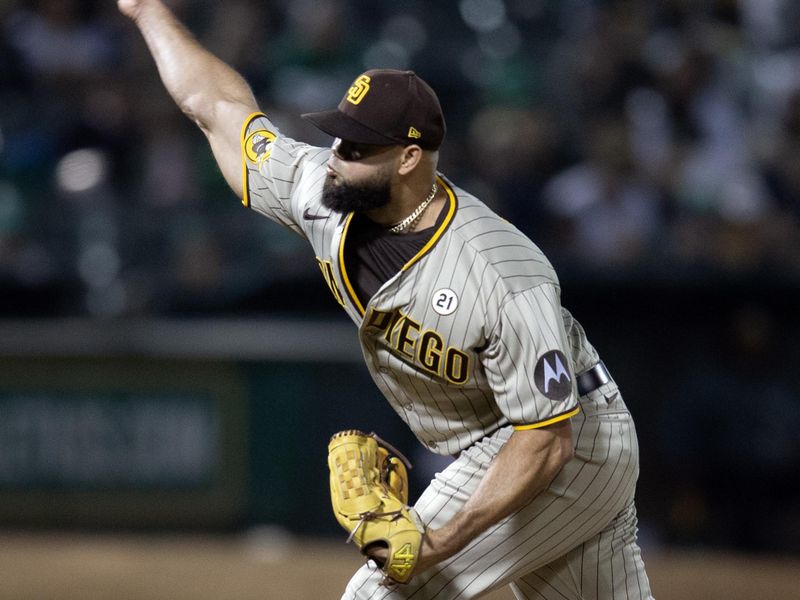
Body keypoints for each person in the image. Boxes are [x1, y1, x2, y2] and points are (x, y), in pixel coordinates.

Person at [118, 1, 655, 598]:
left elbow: (545, 439)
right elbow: (215, 110)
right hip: (513, 438)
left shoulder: (502, 273)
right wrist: (147, 12)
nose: (336, 156)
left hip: (570, 444)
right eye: (339, 137)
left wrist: (440, 544)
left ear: (408, 158)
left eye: (356, 147)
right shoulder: (320, 191)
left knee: (381, 592)